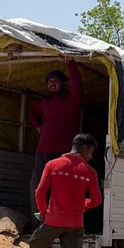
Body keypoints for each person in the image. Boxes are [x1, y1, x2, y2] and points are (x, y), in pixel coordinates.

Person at [25, 133, 102, 248]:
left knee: (35, 245)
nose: (91, 156)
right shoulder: (90, 172)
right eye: (91, 152)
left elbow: (39, 192)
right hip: (75, 224)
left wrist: (44, 213)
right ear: (85, 148)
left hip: (53, 220)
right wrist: (83, 205)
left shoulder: (53, 165)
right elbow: (97, 200)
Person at [29, 59, 83, 216]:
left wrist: (71, 64)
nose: (52, 84)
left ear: (64, 83)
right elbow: (32, 112)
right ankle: (40, 219)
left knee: (59, 186)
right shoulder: (45, 103)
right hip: (41, 152)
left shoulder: (72, 101)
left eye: (55, 80)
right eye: (49, 81)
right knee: (39, 186)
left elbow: (78, 85)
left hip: (62, 152)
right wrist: (38, 126)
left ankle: (59, 218)